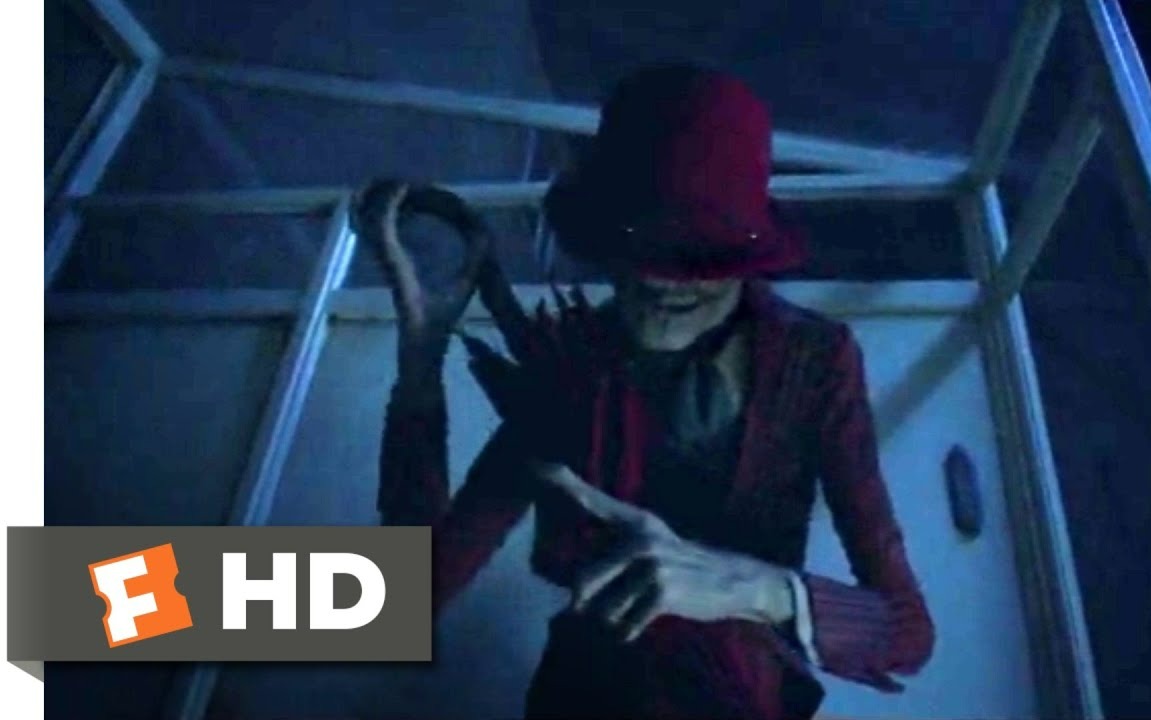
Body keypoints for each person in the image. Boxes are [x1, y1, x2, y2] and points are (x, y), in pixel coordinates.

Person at [363, 63, 935, 720]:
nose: (665, 281)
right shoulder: (568, 370)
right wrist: (421, 360)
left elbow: (906, 634)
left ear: (746, 256)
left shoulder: (814, 364)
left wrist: (752, 589)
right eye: (642, 245)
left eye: (701, 255)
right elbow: (404, 599)